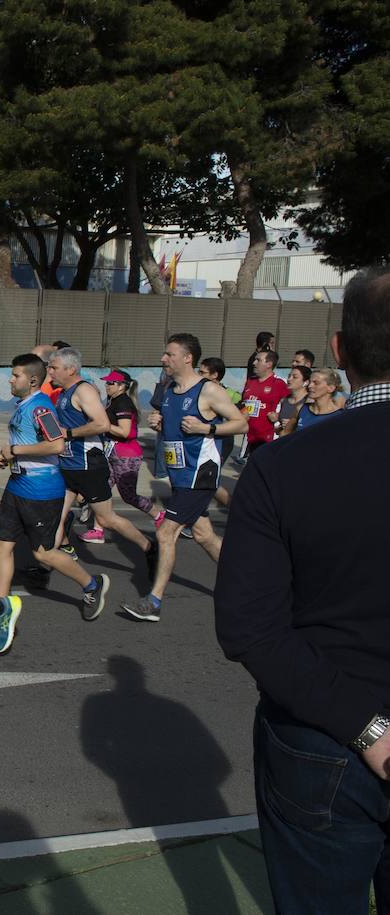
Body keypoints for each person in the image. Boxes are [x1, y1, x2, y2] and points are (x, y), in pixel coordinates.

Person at [214, 267, 390, 915]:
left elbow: (247, 626)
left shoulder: (281, 466)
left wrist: (368, 728)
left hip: (322, 739)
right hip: (328, 742)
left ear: (339, 353)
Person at [0, 354, 111, 652]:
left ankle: (92, 585)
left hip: (42, 491)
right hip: (18, 485)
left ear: (30, 380)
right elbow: (29, 445)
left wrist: (16, 449)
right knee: (2, 545)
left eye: (14, 375)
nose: (10, 379)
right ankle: (0, 612)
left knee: (43, 554)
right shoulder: (24, 405)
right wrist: (9, 457)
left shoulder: (41, 406)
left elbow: (57, 444)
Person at [121, 333, 247, 622]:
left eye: (170, 354)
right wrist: (160, 425)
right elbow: (175, 431)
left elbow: (241, 422)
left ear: (188, 358)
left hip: (200, 475)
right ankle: (247, 578)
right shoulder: (169, 390)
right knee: (204, 535)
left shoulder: (209, 390)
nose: (163, 359)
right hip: (180, 476)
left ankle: (153, 602)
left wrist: (208, 429)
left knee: (166, 531)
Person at [47, 348, 156, 567]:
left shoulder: (84, 391)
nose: (49, 372)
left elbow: (102, 424)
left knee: (107, 519)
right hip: (68, 465)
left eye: (54, 367)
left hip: (89, 467)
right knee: (55, 517)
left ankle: (149, 548)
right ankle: (46, 563)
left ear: (70, 369)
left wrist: (67, 433)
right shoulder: (63, 393)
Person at [79, 369, 163, 539]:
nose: (107, 385)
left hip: (127, 456)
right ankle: (98, 530)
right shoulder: (113, 400)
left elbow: (125, 432)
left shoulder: (123, 403)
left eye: (111, 383)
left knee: (129, 496)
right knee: (102, 490)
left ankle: (159, 516)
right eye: (107, 382)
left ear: (122, 386)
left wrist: (103, 426)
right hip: (112, 453)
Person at [196, 357, 242, 511]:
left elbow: (242, 419)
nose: (198, 374)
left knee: (207, 481)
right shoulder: (198, 389)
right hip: (202, 440)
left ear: (215, 375)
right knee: (202, 481)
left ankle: (237, 510)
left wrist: (213, 428)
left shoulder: (227, 393)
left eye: (202, 372)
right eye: (199, 371)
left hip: (220, 442)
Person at [240, 350, 289, 459]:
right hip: (250, 436)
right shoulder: (250, 381)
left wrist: (278, 416)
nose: (254, 363)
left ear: (269, 364)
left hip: (268, 437)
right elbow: (244, 404)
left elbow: (292, 404)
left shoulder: (279, 383)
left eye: (258, 360)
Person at [293, 367, 344, 431]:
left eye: (316, 383)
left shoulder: (339, 416)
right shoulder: (301, 409)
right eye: (310, 382)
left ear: (331, 388)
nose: (310, 386)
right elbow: (285, 433)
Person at [276, 364, 310, 437]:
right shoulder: (284, 400)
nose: (289, 379)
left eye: (295, 377)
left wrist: (292, 425)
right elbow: (280, 427)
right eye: (289, 376)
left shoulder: (309, 401)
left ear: (306, 382)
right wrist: (280, 428)